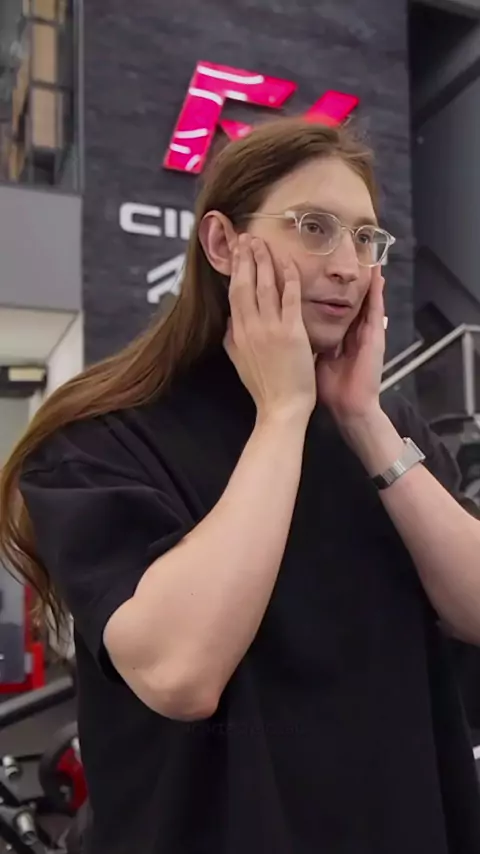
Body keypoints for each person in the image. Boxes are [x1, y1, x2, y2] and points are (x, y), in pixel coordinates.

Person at [1, 117, 480, 854]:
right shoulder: (100, 439)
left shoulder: (387, 426)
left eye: (365, 238)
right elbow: (181, 674)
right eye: (314, 227)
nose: (347, 266)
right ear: (223, 244)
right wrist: (282, 413)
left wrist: (363, 419)